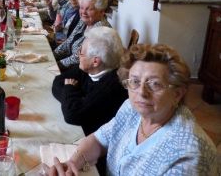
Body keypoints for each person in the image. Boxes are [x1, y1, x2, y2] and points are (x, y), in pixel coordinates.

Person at [49, 44, 218, 176]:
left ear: (177, 94)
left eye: (155, 84)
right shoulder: (131, 108)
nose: (141, 93)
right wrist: (74, 163)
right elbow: (101, 139)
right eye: (135, 82)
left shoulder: (188, 155)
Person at [52, 27, 127, 136]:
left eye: (81, 52)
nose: (78, 55)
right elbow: (57, 81)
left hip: (90, 140)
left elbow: (72, 115)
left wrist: (70, 89)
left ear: (95, 61)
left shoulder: (111, 86)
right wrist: (74, 101)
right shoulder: (88, 69)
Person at [54, 0, 110, 72]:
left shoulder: (100, 31)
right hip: (71, 66)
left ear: (101, 12)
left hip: (84, 72)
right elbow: (68, 42)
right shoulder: (84, 21)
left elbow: (79, 57)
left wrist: (56, 65)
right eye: (82, 7)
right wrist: (53, 55)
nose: (83, 12)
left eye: (89, 9)